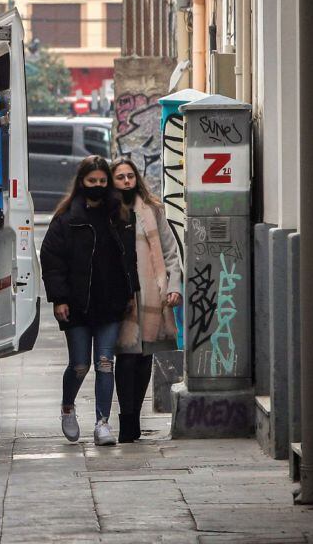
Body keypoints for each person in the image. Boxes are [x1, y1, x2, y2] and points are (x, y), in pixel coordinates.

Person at [40, 155, 139, 447]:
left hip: (111, 302)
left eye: (102, 181)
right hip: (77, 304)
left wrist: (130, 292)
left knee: (105, 363)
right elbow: (52, 261)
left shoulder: (119, 216)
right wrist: (59, 298)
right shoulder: (66, 219)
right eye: (91, 180)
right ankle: (67, 407)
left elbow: (129, 259)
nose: (97, 185)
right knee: (80, 365)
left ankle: (102, 423)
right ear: (81, 182)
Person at [111, 158, 182, 443]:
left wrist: (173, 287)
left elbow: (170, 251)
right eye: (120, 177)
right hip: (122, 294)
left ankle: (134, 417)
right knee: (126, 358)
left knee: (144, 359)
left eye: (130, 176)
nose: (127, 181)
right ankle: (126, 419)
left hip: (150, 292)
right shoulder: (109, 212)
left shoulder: (152, 210)